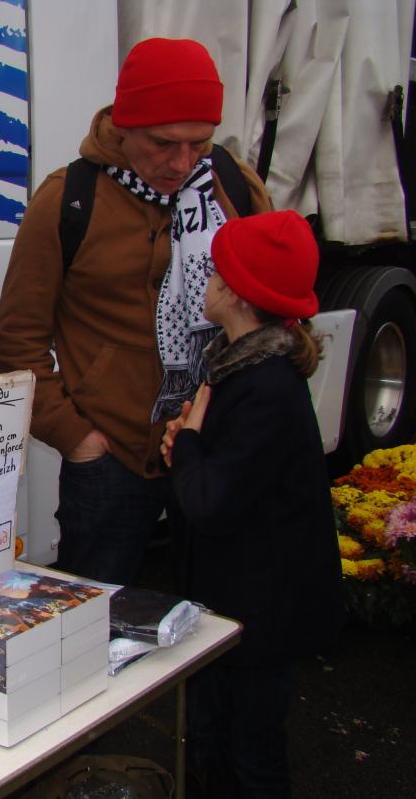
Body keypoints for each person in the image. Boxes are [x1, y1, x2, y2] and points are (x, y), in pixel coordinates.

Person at [0, 37, 272, 585]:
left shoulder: (232, 185)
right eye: (164, 143)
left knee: (215, 619)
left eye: (199, 143)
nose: (182, 162)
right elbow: (19, 340)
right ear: (124, 123)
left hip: (218, 446)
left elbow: (269, 308)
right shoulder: (68, 199)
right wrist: (77, 440)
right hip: (111, 463)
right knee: (90, 629)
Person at [160, 210, 345, 798]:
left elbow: (209, 501)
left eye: (215, 271)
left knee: (252, 758)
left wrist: (188, 444)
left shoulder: (263, 387)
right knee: (216, 742)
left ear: (235, 293)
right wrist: (190, 444)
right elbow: (222, 474)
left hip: (261, 619)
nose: (205, 279)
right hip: (239, 606)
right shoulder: (241, 365)